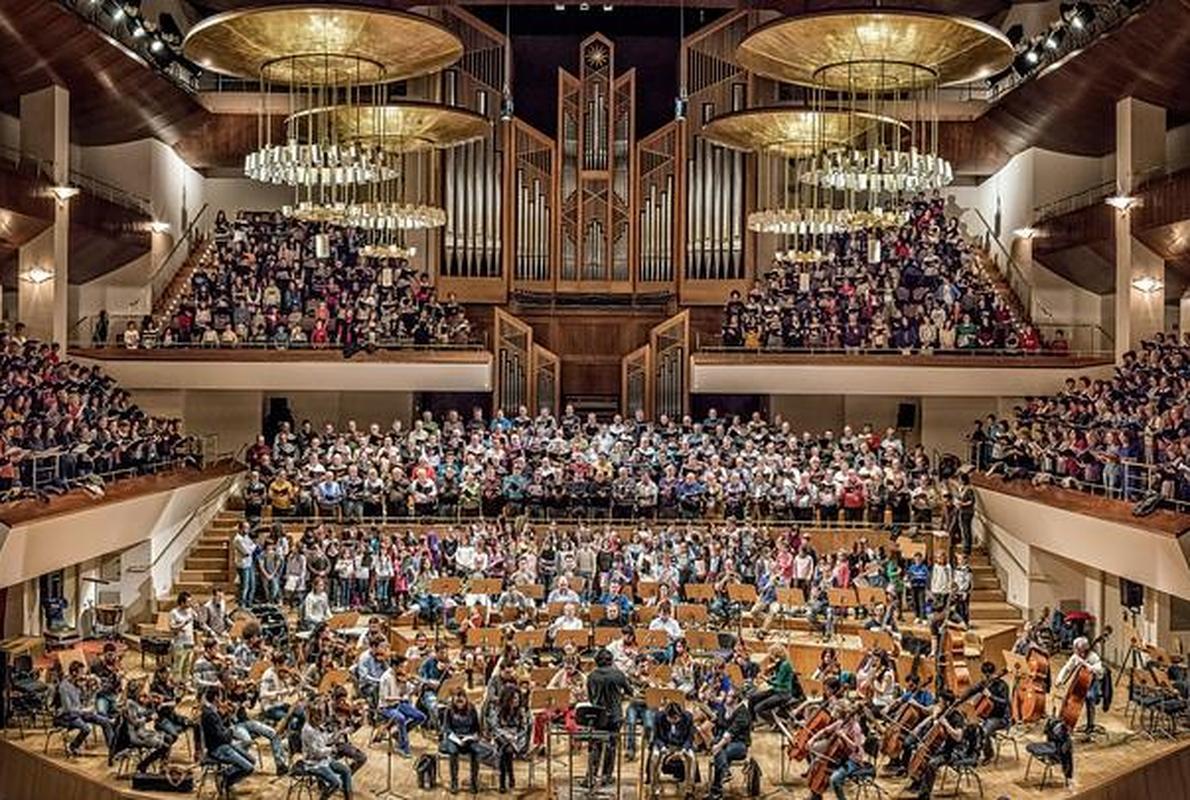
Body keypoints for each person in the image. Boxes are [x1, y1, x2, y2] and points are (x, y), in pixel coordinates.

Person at [585, 648, 632, 787]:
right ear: (611, 661)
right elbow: (629, 691)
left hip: (598, 715)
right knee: (611, 746)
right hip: (615, 716)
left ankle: (591, 776)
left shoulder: (591, 676)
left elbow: (590, 696)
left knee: (596, 746)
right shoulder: (618, 674)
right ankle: (606, 776)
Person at [807, 700, 869, 800]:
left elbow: (856, 749)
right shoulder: (841, 723)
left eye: (838, 713)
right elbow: (825, 730)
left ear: (843, 714)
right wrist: (812, 739)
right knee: (816, 762)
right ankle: (815, 795)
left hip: (853, 760)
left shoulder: (856, 728)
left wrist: (844, 737)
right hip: (843, 757)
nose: (835, 716)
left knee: (834, 779)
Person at [56, 660, 115, 757]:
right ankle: (74, 746)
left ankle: (113, 750)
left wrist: (94, 691)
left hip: (80, 712)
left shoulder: (78, 683)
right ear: (74, 673)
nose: (84, 675)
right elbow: (68, 709)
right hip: (67, 716)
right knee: (86, 729)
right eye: (81, 673)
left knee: (105, 722)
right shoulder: (64, 687)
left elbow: (85, 700)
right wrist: (83, 710)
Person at [200, 686, 255, 791]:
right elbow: (220, 736)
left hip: (224, 744)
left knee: (252, 760)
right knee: (248, 768)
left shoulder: (212, 711)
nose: (221, 700)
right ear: (216, 698)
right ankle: (226, 779)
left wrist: (224, 714)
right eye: (220, 697)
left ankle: (226, 774)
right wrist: (231, 731)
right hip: (218, 748)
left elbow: (220, 728)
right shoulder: (209, 714)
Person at [302, 703, 353, 800]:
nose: (320, 722)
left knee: (346, 771)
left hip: (324, 760)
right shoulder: (307, 731)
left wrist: (339, 733)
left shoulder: (317, 727)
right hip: (313, 763)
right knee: (336, 783)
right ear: (311, 717)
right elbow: (316, 753)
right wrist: (331, 750)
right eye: (318, 719)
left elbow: (326, 740)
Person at [1055, 635, 1106, 732]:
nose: (1076, 652)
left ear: (1084, 649)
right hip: (1082, 683)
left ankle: (1090, 724)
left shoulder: (1093, 656)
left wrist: (1086, 665)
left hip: (1093, 682)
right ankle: (1064, 723)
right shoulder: (1075, 656)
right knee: (1071, 697)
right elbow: (1067, 668)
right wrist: (1060, 679)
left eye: (1078, 650)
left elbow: (1100, 670)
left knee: (1089, 697)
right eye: (1076, 650)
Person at [962, 661, 1011, 763]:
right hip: (986, 715)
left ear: (994, 673)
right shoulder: (985, 683)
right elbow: (972, 690)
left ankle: (988, 754)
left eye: (989, 675)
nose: (988, 678)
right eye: (985, 676)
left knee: (984, 732)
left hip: (1000, 717)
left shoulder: (1002, 685)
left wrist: (991, 696)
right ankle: (971, 753)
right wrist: (960, 699)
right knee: (968, 727)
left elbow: (1005, 703)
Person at [440, 688, 484, 794]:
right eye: (457, 700)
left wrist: (473, 736)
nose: (460, 703)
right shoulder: (449, 710)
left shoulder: (472, 709)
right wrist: (455, 738)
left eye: (462, 700)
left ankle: (474, 782)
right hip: (453, 738)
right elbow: (446, 728)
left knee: (476, 752)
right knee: (453, 752)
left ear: (465, 699)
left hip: (468, 737)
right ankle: (454, 782)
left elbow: (477, 728)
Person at [709, 690, 751, 800]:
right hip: (726, 742)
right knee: (721, 752)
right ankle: (725, 772)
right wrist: (715, 719)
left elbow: (731, 732)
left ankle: (716, 792)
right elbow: (721, 724)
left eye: (729, 696)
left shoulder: (743, 713)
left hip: (740, 745)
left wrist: (718, 746)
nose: (726, 698)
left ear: (735, 699)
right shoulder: (726, 709)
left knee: (721, 751)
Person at [488, 684, 530, 794]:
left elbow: (524, 729)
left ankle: (504, 779)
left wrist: (515, 737)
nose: (517, 700)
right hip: (501, 737)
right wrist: (506, 736)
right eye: (514, 698)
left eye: (517, 697)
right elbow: (495, 726)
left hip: (516, 739)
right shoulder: (497, 709)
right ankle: (509, 775)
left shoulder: (521, 711)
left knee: (506, 750)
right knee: (505, 749)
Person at [649, 702, 695, 795]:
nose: (673, 721)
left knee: (691, 758)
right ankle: (655, 786)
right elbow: (656, 737)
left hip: (681, 745)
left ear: (680, 715)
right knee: (655, 757)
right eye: (670, 718)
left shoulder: (688, 717)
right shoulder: (658, 717)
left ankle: (689, 788)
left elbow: (690, 738)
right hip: (664, 744)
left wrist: (683, 750)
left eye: (675, 718)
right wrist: (662, 748)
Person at [749, 643, 802, 725]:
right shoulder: (780, 663)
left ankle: (779, 722)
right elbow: (776, 677)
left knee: (758, 708)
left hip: (783, 693)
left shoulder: (785, 665)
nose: (770, 656)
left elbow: (778, 683)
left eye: (771, 654)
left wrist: (765, 679)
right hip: (776, 691)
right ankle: (752, 721)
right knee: (752, 698)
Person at [169, 592, 196, 682]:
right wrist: (183, 624)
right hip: (180, 643)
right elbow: (172, 628)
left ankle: (185, 684)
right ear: (182, 602)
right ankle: (176, 685)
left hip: (190, 642)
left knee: (187, 665)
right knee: (178, 666)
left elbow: (199, 620)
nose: (190, 603)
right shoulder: (174, 612)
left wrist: (197, 610)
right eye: (188, 602)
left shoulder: (191, 611)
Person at [233, 524, 258, 608]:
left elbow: (250, 545)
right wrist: (254, 545)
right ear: (240, 529)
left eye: (248, 528)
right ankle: (242, 605)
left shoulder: (246, 536)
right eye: (245, 528)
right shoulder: (238, 539)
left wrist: (251, 546)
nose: (247, 530)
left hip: (249, 563)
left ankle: (249, 603)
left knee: (252, 585)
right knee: (245, 586)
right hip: (243, 565)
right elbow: (246, 552)